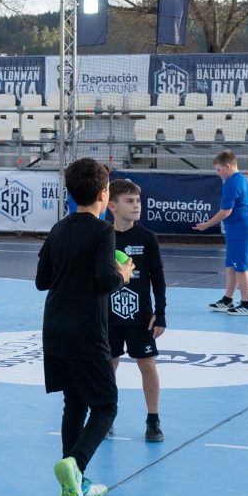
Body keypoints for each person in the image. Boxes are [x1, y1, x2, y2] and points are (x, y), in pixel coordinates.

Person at [38, 158, 134, 496]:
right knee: (106, 405)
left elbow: (42, 281)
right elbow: (104, 282)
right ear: (104, 194)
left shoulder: (58, 229)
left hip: (55, 328)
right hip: (87, 330)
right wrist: (123, 274)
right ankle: (75, 465)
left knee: (74, 403)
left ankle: (74, 483)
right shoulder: (103, 231)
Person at [107, 178, 167, 443]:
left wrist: (160, 312)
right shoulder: (101, 237)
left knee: (147, 364)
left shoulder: (146, 238)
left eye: (138, 201)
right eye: (129, 201)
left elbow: (158, 278)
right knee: (108, 365)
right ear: (112, 206)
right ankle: (105, 416)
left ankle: (153, 419)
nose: (136, 205)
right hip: (107, 316)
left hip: (140, 316)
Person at [196, 150, 248, 315]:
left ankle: (247, 304)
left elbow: (226, 211)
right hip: (237, 229)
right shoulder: (241, 180)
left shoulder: (231, 183)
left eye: (218, 170)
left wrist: (207, 225)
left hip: (239, 229)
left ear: (228, 166)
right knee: (231, 266)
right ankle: (228, 299)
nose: (217, 174)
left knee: (240, 267)